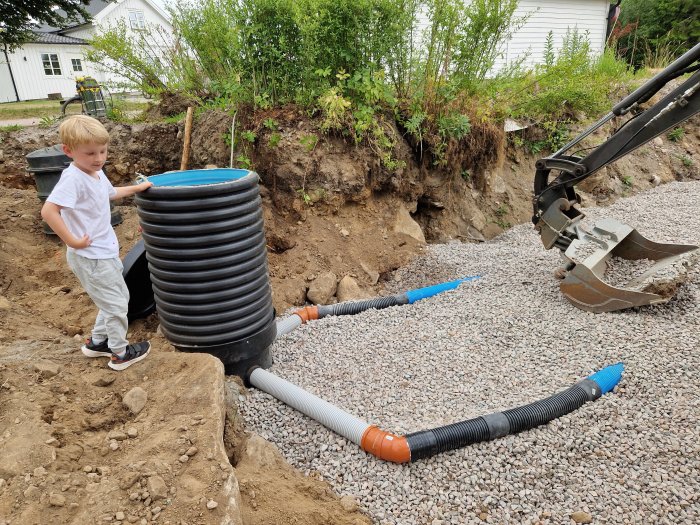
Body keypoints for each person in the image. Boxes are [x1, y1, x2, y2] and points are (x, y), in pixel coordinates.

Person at [41, 115, 154, 370]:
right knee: (116, 303)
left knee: (112, 298)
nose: (99, 158)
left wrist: (138, 189)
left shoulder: (95, 172)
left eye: (103, 151)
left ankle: (98, 343)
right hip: (91, 257)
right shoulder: (73, 179)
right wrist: (72, 241)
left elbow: (111, 193)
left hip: (103, 253)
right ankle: (119, 353)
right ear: (68, 151)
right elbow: (49, 211)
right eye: (90, 153)